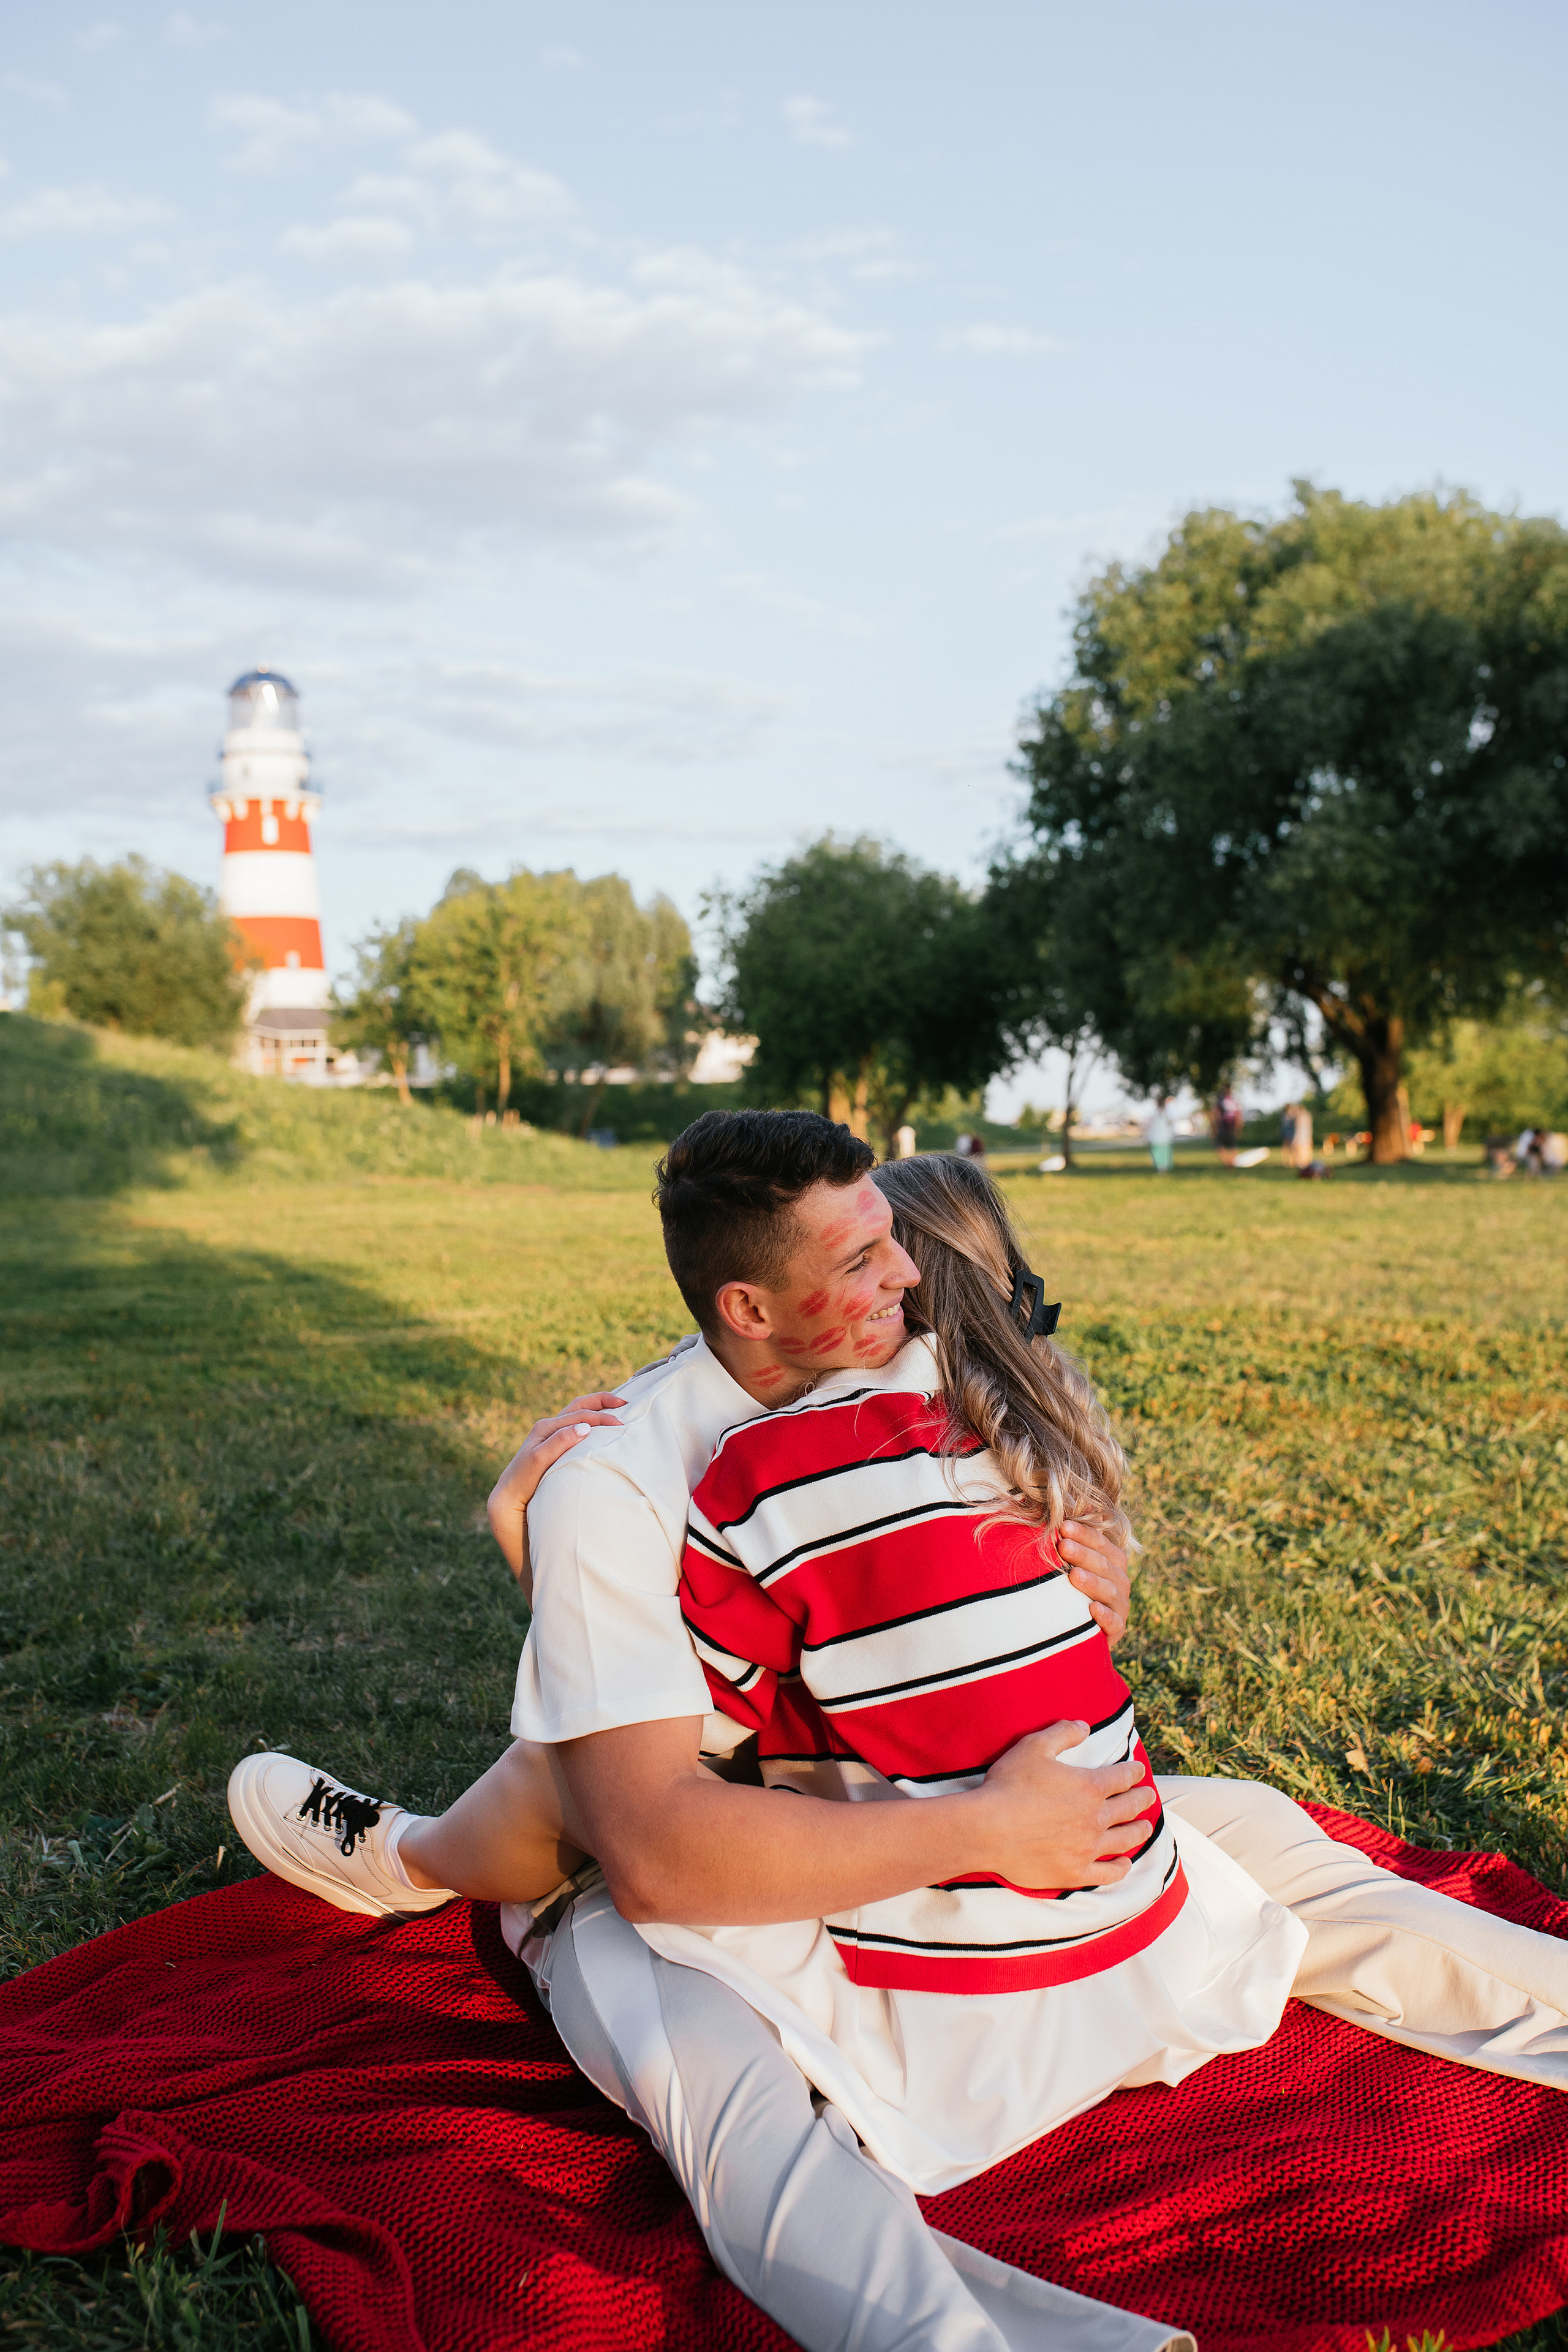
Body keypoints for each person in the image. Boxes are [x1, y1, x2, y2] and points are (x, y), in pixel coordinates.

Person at [230, 1111, 1568, 2352]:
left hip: (888, 1799)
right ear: (750, 1306)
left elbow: (998, 1628)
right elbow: (655, 1846)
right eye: (865, 1258)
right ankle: (406, 1861)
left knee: (1263, 1836)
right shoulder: (623, 1473)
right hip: (723, 1855)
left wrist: (1076, 1580)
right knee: (713, 2086)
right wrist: (987, 1827)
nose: (909, 1284)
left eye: (895, 1245)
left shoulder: (914, 1387)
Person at [1210, 1089, 1241, 1167]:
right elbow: (1238, 1115)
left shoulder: (1221, 1101)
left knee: (1218, 1146)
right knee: (1232, 1147)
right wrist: (1238, 1128)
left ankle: (1227, 1163)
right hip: (1232, 1127)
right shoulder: (1234, 1101)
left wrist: (1214, 1127)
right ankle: (1231, 1163)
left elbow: (1215, 1113)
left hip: (1223, 1127)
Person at [1144, 1101, 1174, 1174]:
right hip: (1159, 1138)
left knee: (1162, 1153)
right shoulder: (1156, 1113)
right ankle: (1161, 1168)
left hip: (1162, 1138)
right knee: (1160, 1153)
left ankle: (1162, 1168)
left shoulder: (1166, 1113)